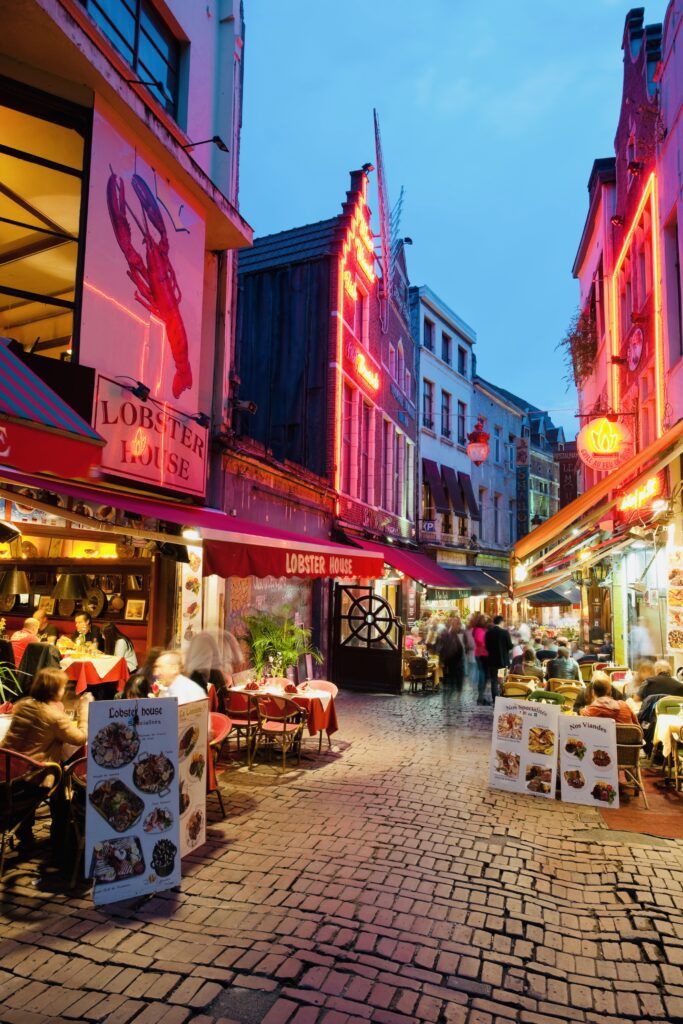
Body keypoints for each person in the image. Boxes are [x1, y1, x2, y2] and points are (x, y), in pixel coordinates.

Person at [0, 668, 91, 849]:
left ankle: (25, 835)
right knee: (62, 787)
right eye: (63, 687)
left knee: (35, 766)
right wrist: (85, 712)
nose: (65, 690)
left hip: (6, 777)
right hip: (29, 782)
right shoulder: (54, 716)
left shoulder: (23, 705)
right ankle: (59, 841)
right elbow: (81, 738)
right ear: (55, 689)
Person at [484, 615, 512, 703]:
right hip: (502, 662)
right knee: (501, 680)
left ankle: (495, 699)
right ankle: (502, 696)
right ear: (501, 622)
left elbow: (487, 646)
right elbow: (510, 646)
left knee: (494, 681)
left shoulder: (488, 632)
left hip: (492, 661)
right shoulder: (505, 632)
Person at [438, 617, 464, 690]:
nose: (455, 625)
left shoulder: (461, 632)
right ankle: (450, 686)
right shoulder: (445, 632)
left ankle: (457, 686)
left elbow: (462, 646)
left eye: (457, 624)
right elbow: (442, 645)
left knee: (456, 672)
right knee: (449, 673)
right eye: (453, 623)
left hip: (457, 658)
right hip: (448, 657)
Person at [472, 613, 489, 705]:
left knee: (484, 674)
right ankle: (480, 696)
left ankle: (481, 696)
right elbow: (480, 641)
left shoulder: (479, 629)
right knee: (482, 674)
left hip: (481, 653)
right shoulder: (478, 630)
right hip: (481, 653)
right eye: (484, 619)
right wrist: (486, 644)